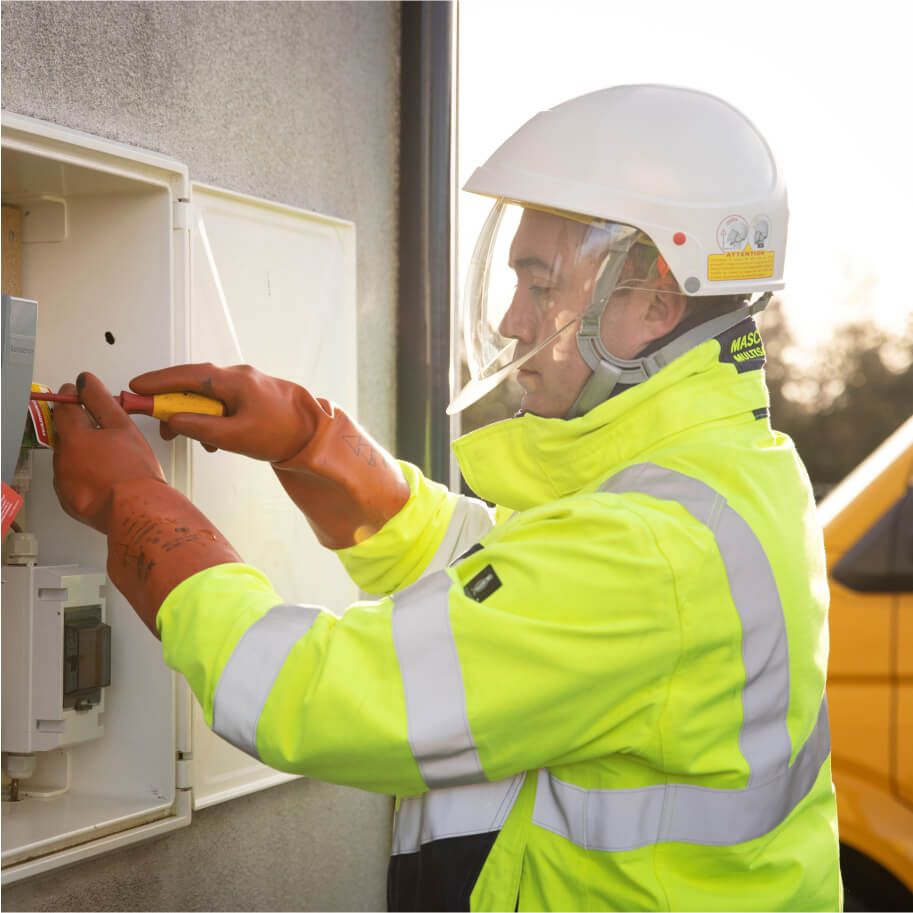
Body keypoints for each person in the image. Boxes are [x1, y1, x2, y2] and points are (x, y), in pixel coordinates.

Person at [51, 85, 841, 911]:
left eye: (540, 287)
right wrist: (314, 444)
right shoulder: (726, 475)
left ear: (652, 304)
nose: (509, 319)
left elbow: (315, 696)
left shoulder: (649, 550)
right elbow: (507, 581)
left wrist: (138, 507)